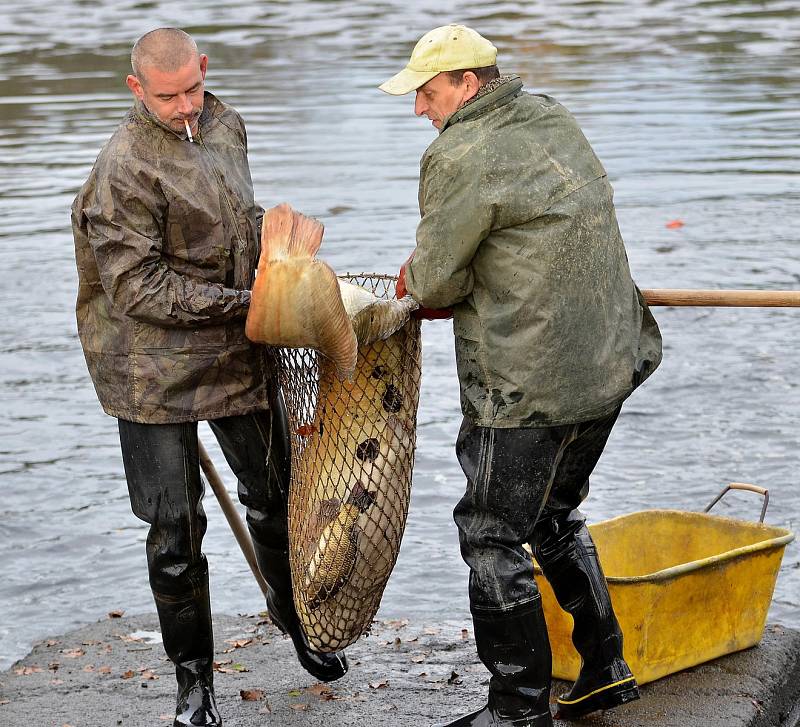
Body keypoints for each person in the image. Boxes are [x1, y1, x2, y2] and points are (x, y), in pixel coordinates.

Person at [382, 24, 663, 727]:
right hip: (611, 362)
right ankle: (604, 666)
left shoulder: (460, 150)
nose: (419, 108)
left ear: (469, 84)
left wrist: (413, 281)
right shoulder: (551, 115)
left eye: (427, 92)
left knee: (489, 533)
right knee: (551, 513)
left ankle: (516, 710)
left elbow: (438, 278)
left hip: (529, 384)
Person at [71, 28, 347, 727]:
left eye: (193, 87)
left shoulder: (224, 123)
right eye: (168, 96)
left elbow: (236, 217)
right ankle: (194, 683)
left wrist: (276, 242)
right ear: (137, 90)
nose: (186, 105)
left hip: (233, 353)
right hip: (148, 369)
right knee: (174, 531)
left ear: (205, 71)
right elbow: (137, 288)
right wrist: (246, 304)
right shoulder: (122, 167)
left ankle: (297, 619)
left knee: (278, 495)